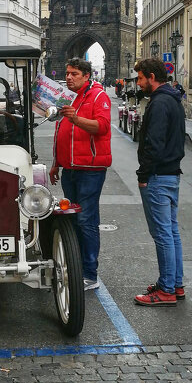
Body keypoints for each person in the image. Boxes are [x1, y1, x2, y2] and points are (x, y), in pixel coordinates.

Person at [49, 58, 112, 290]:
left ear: (87, 76)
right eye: (67, 73)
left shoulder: (98, 96)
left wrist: (76, 118)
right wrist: (56, 162)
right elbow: (60, 130)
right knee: (73, 219)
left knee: (86, 220)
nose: (68, 77)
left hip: (90, 169)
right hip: (70, 168)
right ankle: (75, 268)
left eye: (74, 74)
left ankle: (89, 274)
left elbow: (102, 127)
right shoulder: (67, 96)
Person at [133, 58, 185, 306]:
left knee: (162, 233)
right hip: (171, 173)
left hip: (158, 175)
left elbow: (154, 143)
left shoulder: (160, 103)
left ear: (152, 77)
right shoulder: (173, 99)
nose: (139, 83)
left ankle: (166, 290)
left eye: (141, 78)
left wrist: (144, 175)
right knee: (171, 231)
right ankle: (175, 284)